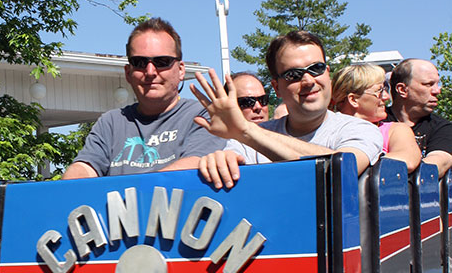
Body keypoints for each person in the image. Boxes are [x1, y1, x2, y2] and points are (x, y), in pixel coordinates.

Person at [190, 31, 382, 189]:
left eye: (316, 68)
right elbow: (231, 164)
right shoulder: (245, 142)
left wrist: (248, 131)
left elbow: (341, 170)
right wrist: (218, 162)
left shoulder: (361, 130)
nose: (308, 80)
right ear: (276, 88)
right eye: (293, 74)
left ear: (328, 73)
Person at [62, 18, 224, 179]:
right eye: (139, 62)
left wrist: (133, 194)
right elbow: (85, 167)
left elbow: (193, 166)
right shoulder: (110, 123)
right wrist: (68, 186)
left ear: (181, 70)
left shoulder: (202, 116)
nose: (151, 71)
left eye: (162, 61)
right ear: (128, 72)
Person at [332, 64, 421, 173]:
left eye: (386, 90)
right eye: (379, 91)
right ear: (353, 100)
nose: (386, 97)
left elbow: (408, 160)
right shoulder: (327, 129)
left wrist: (364, 159)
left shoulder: (395, 131)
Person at [385, 59, 452, 178]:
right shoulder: (376, 123)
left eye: (437, 84)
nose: (437, 91)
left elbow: (439, 164)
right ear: (402, 90)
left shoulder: (443, 128)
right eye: (428, 84)